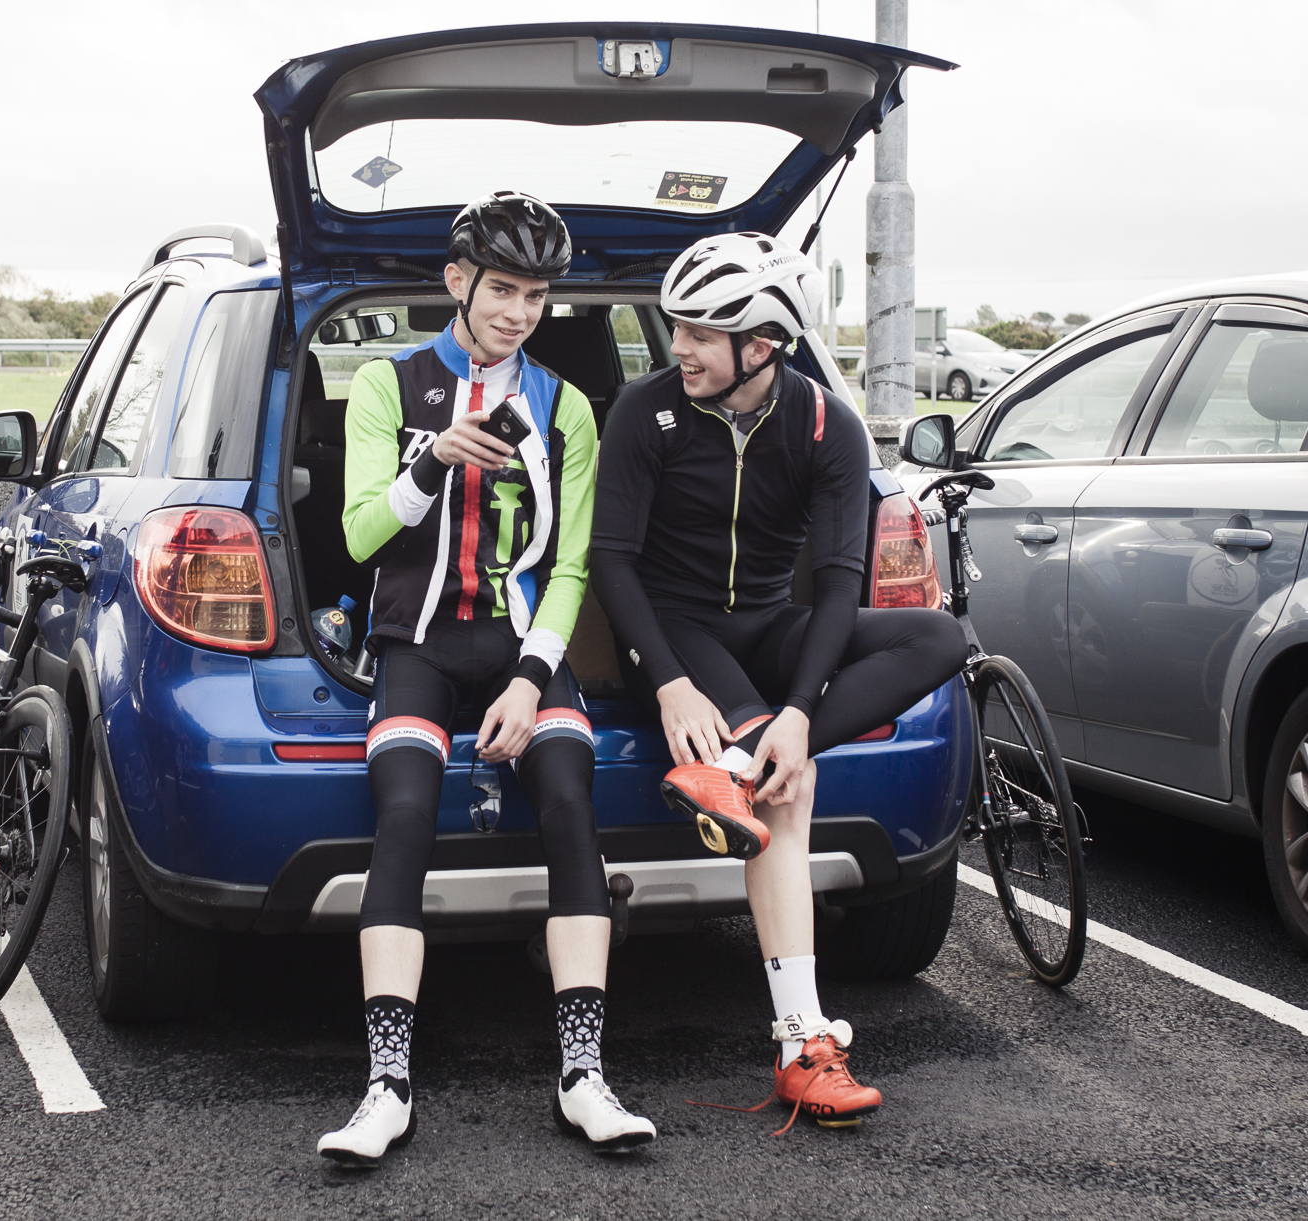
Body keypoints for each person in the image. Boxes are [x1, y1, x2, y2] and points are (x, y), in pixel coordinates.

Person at [589, 231, 963, 1132]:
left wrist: (799, 712)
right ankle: (803, 1044)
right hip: (677, 632)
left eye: (698, 333)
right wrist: (670, 682)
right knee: (793, 800)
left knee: (938, 636)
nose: (676, 346)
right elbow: (612, 562)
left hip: (772, 625)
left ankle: (741, 761)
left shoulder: (824, 422)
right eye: (675, 328)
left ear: (761, 344)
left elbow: (838, 578)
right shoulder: (645, 410)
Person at [315, 192, 655, 1166]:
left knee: (564, 799)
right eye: (500, 288)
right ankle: (384, 1086)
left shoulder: (566, 406)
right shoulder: (390, 384)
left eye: (535, 294)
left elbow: (573, 566)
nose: (515, 310)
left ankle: (583, 1075)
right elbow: (355, 537)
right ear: (456, 280)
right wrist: (430, 466)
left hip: (522, 649)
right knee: (406, 811)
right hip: (415, 646)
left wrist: (528, 677)